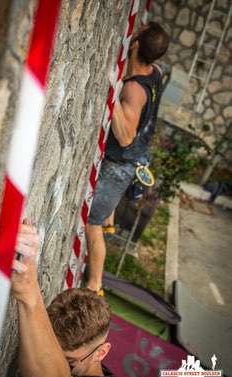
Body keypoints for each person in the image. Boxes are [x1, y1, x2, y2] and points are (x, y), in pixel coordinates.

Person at [85, 22, 169, 293]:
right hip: (137, 159)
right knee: (102, 216)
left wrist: (113, 90)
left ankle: (94, 285)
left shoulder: (133, 90)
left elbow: (124, 137)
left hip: (121, 166)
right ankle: (109, 219)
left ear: (135, 45)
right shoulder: (155, 73)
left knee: (91, 223)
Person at [12, 221, 126, 377]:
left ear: (101, 352)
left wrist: (28, 291)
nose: (55, 362)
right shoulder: (86, 362)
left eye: (69, 362)